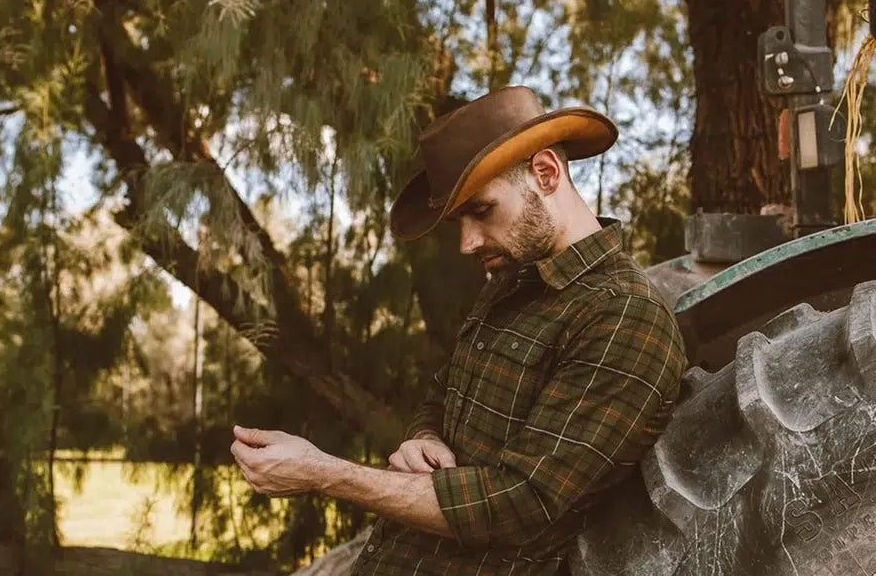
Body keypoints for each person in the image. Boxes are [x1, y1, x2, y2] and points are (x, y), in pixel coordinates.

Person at [230, 86, 688, 575]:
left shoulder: (623, 316)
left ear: (546, 173)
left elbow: (521, 502)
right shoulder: (512, 283)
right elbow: (443, 393)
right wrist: (424, 435)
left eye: (482, 210)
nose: (467, 243)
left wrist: (323, 473)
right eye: (458, 220)